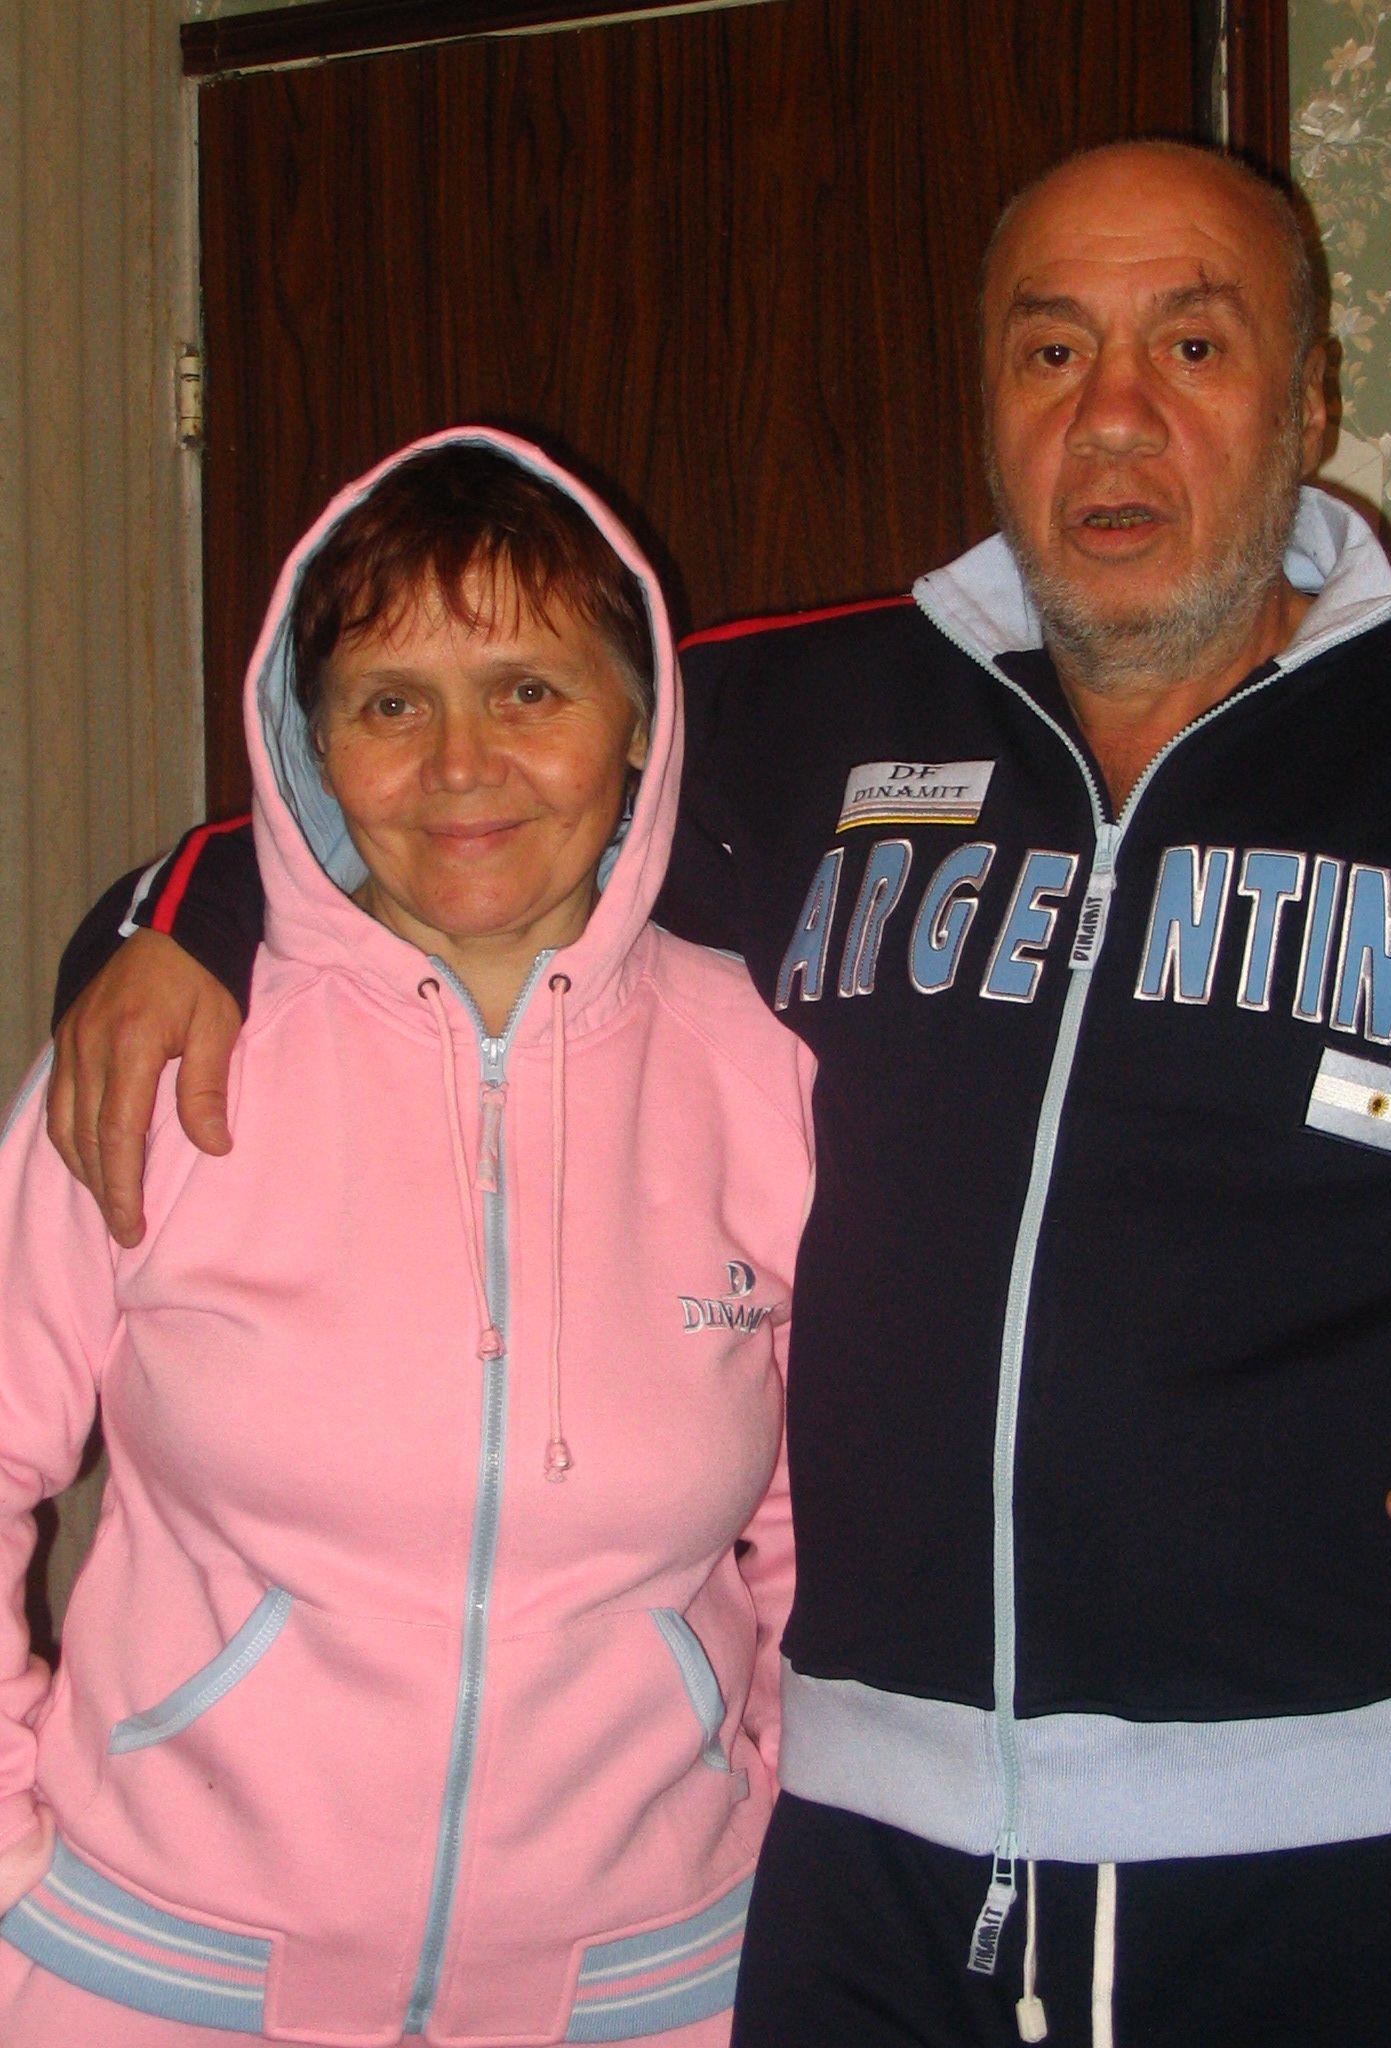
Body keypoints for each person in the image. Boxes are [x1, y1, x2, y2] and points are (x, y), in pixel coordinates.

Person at [44, 143, 1391, 2046]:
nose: (1115, 415)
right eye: (1052, 351)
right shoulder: (790, 716)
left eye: (1193, 342)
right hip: (862, 1877)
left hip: (1362, 1848)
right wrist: (183, 906)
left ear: (1312, 399)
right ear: (986, 403)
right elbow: (453, 782)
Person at [0, 428, 811, 2046]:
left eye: (530, 691)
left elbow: (823, 1533)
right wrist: (16, 1869)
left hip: (653, 1988)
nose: (460, 766)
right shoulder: (161, 1053)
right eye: (391, 704)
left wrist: (780, 1843)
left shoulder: (763, 1067)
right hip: (152, 1972)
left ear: (639, 723)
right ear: (311, 742)